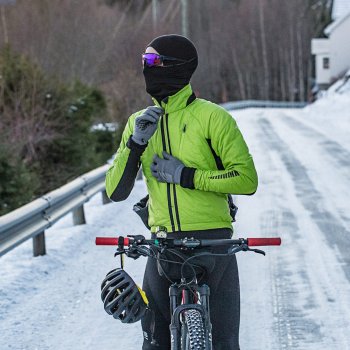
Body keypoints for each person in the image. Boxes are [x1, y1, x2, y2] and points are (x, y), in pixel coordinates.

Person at [105, 34, 258, 350]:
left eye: (152, 61)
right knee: (154, 344)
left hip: (214, 244)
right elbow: (115, 192)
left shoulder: (212, 117)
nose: (146, 68)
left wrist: (186, 175)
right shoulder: (138, 122)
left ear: (176, 66)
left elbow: (246, 179)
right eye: (144, 62)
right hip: (164, 245)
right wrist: (135, 144)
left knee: (227, 343)